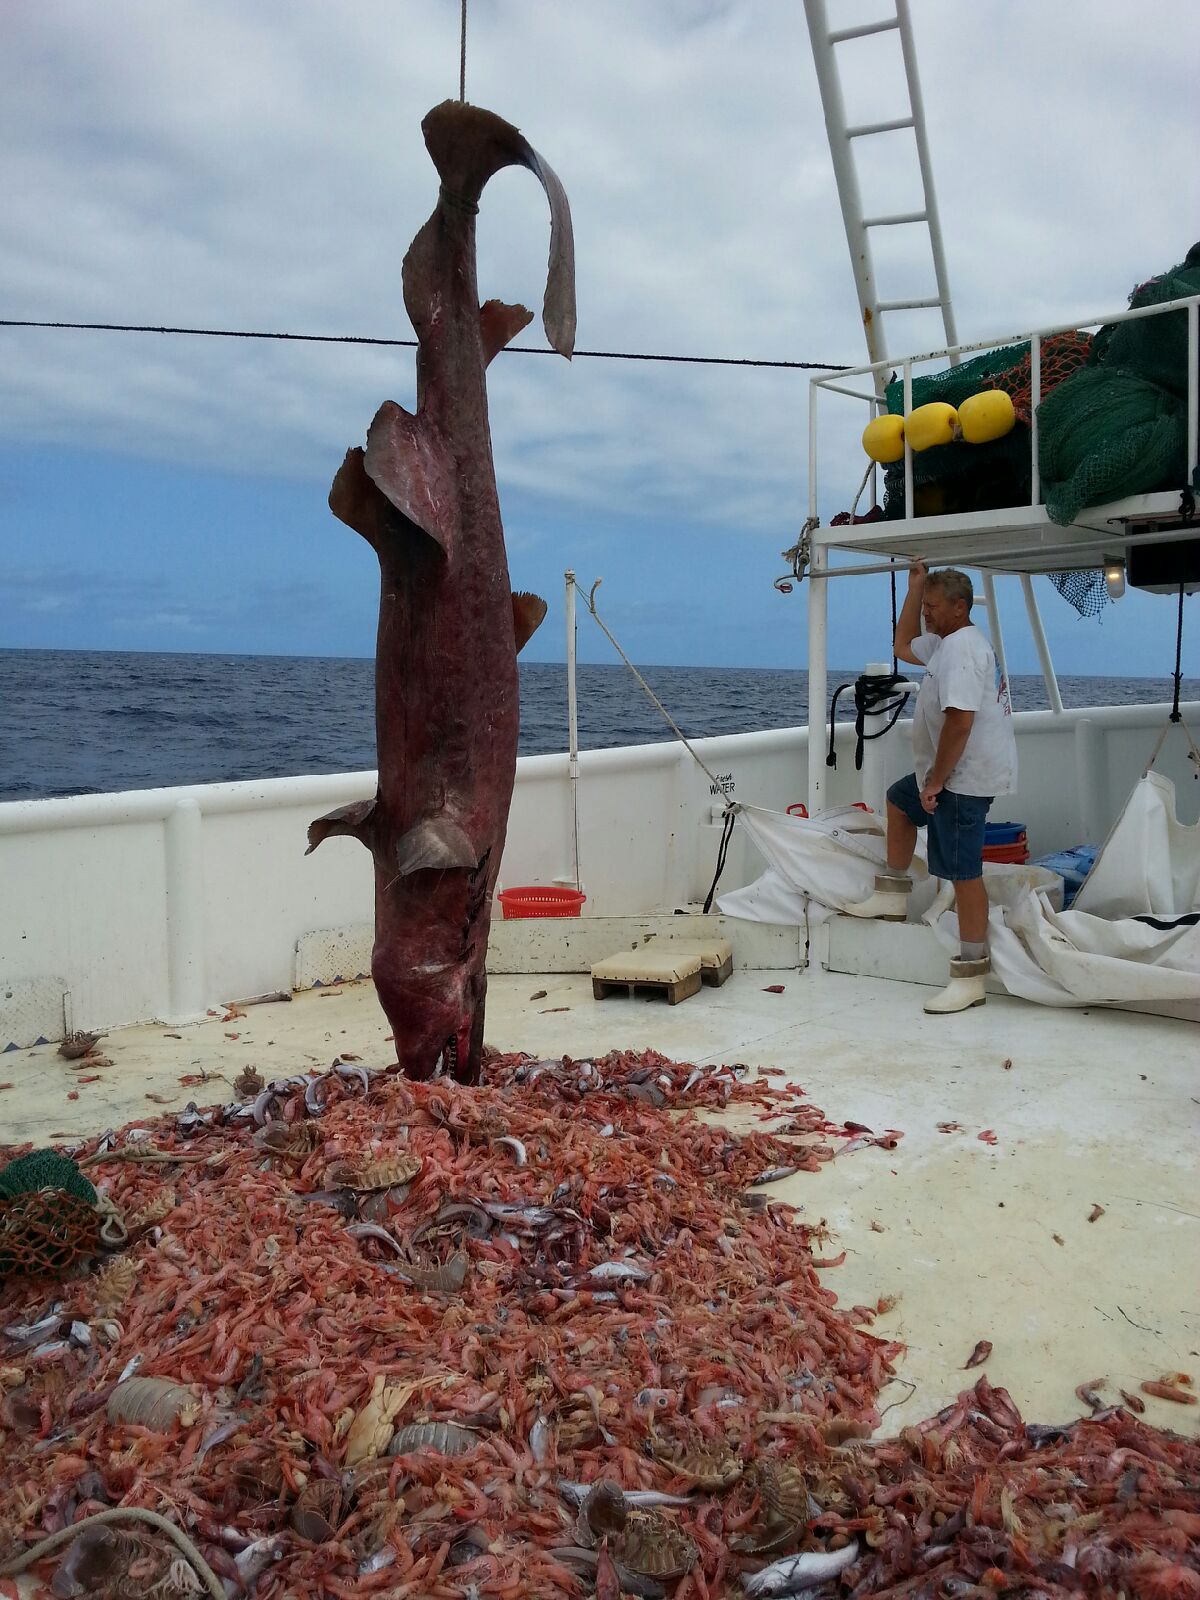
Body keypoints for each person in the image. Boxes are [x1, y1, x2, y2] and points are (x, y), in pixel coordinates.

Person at [845, 563, 1018, 1013]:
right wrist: (916, 587)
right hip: (946, 775)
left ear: (960, 608)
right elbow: (903, 646)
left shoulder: (962, 650)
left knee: (963, 874)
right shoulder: (947, 643)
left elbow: (960, 723)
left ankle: (971, 974)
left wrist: (938, 781)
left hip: (962, 780)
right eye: (925, 607)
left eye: (933, 608)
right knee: (899, 802)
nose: (926, 615)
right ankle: (890, 895)